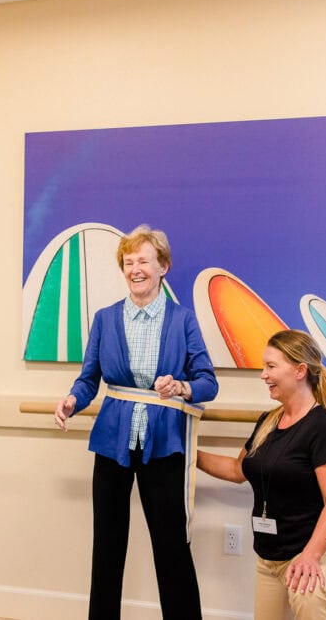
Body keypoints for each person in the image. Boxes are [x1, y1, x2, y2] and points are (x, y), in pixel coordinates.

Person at [53, 224, 218, 620]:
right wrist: (72, 400)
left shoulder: (182, 321)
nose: (135, 269)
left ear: (163, 266)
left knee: (171, 545)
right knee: (107, 545)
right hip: (112, 441)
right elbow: (89, 378)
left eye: (143, 260)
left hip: (164, 444)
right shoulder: (106, 319)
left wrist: (180, 387)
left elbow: (207, 382)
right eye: (128, 262)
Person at [197, 329, 326, 620]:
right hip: (268, 559)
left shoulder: (322, 428)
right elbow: (236, 469)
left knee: (310, 598)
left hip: (310, 553)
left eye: (271, 366)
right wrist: (189, 455)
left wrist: (310, 556)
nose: (263, 375)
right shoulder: (268, 421)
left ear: (299, 370)